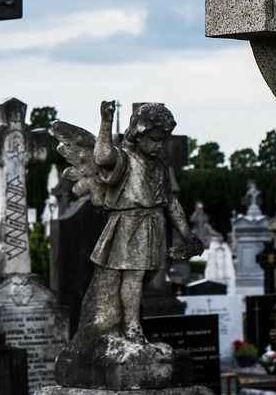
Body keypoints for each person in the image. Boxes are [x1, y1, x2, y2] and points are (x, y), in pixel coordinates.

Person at [57, 101, 203, 349]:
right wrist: (105, 122)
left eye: (163, 140)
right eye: (155, 139)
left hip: (153, 224)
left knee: (144, 276)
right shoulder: (125, 159)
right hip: (129, 224)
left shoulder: (159, 167)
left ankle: (127, 326)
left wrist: (188, 234)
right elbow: (102, 156)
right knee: (133, 277)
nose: (159, 145)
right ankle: (132, 330)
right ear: (138, 134)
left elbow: (170, 202)